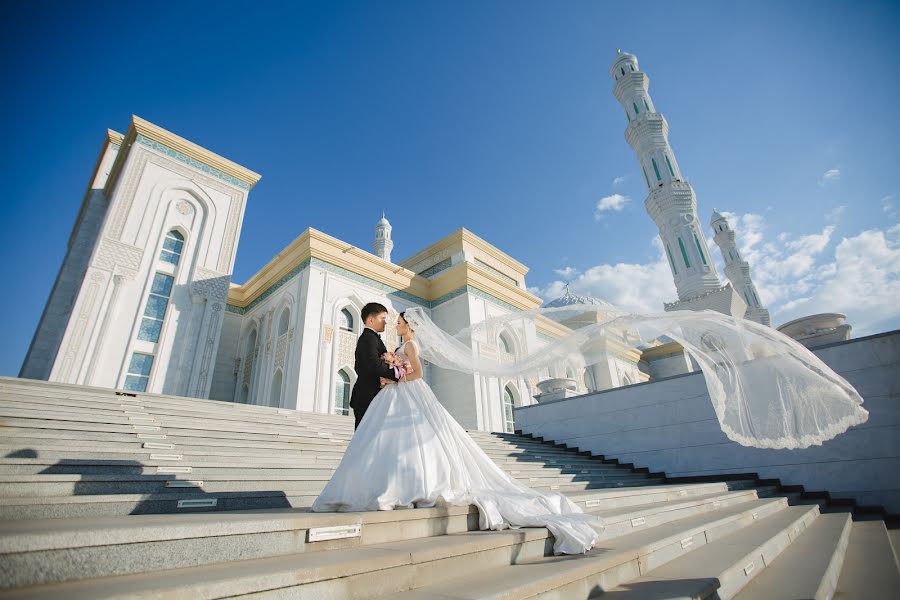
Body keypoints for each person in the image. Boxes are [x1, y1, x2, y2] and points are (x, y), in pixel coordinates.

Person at [312, 312, 600, 555]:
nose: (395, 326)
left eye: (398, 322)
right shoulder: (401, 346)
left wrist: (395, 375)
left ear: (409, 325)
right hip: (398, 394)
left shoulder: (410, 344)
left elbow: (418, 374)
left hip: (407, 392)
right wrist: (394, 370)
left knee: (409, 440)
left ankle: (410, 486)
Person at [349, 303, 398, 430]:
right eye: (382, 318)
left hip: (373, 395)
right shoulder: (368, 338)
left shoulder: (373, 338)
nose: (385, 322)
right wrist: (398, 374)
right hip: (367, 396)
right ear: (371, 320)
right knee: (363, 439)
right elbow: (374, 365)